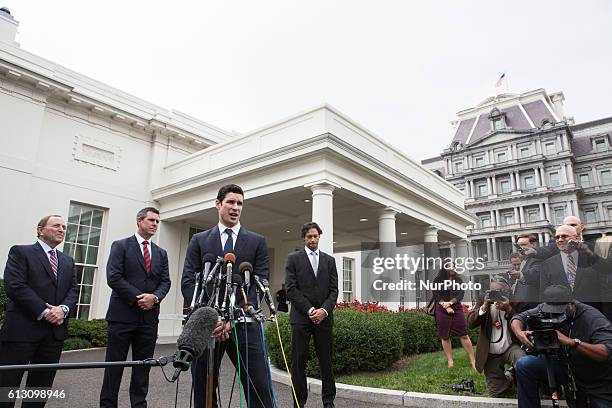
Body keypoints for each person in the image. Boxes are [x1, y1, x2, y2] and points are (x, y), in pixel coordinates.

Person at [181, 184, 273, 408]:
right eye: (231, 202)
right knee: (204, 388)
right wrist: (210, 318)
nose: (235, 208)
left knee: (259, 386)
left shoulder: (257, 241)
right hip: (207, 327)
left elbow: (258, 284)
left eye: (239, 203)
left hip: (244, 324)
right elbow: (188, 282)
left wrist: (233, 317)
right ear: (218, 204)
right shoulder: (199, 241)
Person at [0, 215, 78, 408]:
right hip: (21, 331)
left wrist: (63, 309)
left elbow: (74, 289)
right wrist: (45, 311)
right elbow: (15, 286)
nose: (61, 229)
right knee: (6, 388)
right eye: (56, 226)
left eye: (64, 227)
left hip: (53, 335)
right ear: (40, 229)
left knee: (39, 390)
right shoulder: (21, 252)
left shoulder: (68, 261)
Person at [100, 207, 171, 408]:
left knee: (143, 368)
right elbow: (113, 277)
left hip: (148, 320)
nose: (155, 224)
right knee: (114, 367)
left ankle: (139, 404)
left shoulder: (161, 253)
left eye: (157, 221)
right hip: (122, 317)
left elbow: (165, 282)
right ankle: (107, 405)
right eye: (151, 220)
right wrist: (139, 298)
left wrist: (154, 298)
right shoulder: (121, 246)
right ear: (139, 221)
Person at [511, 285, 612, 408]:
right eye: (551, 310)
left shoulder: (592, 318)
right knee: (524, 365)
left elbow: (606, 352)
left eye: (559, 310)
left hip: (593, 376)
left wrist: (571, 342)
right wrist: (519, 333)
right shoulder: (544, 308)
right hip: (564, 366)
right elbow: (518, 318)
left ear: (571, 303)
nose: (554, 314)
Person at [285, 222, 338, 408]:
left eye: (315, 236)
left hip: (324, 319)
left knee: (326, 362)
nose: (313, 239)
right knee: (298, 364)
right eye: (309, 237)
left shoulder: (329, 261)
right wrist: (310, 310)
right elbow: (291, 289)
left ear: (319, 237)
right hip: (301, 319)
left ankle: (329, 402)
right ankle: (299, 403)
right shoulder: (293, 259)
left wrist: (323, 311)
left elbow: (334, 291)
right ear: (304, 238)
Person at [467, 278, 526, 396]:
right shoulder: (484, 300)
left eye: (499, 291)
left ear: (507, 291)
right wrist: (483, 307)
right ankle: (510, 377)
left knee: (523, 360)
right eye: (492, 291)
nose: (495, 294)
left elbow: (524, 323)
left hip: (510, 347)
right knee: (496, 392)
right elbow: (470, 323)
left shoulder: (516, 302)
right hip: (491, 351)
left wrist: (508, 308)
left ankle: (524, 383)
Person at [540, 225, 604, 314]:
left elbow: (604, 292)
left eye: (564, 236)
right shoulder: (547, 264)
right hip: (560, 317)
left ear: (577, 238)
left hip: (591, 316)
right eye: (557, 237)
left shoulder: (592, 260)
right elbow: (544, 295)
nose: (560, 240)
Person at [431, 262, 476, 369]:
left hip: (456, 307)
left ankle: (472, 360)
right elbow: (436, 294)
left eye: (454, 266)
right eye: (450, 266)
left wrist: (450, 303)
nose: (453, 268)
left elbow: (461, 294)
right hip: (441, 308)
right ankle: (450, 361)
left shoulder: (458, 280)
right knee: (445, 335)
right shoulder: (438, 280)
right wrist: (446, 306)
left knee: (464, 334)